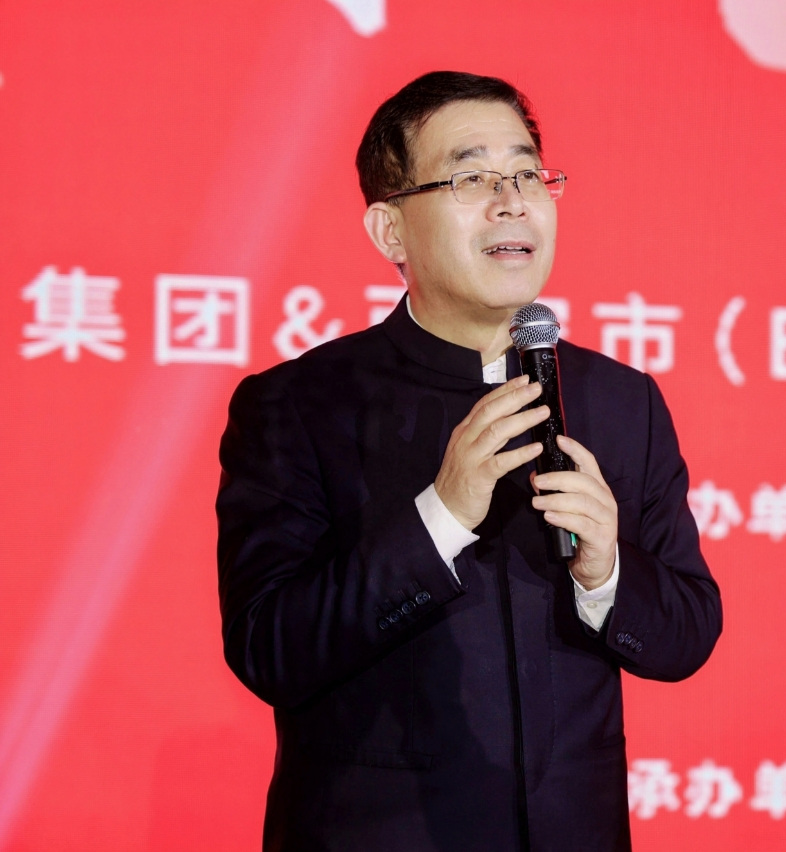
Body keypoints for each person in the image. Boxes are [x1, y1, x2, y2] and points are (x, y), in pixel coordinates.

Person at [215, 70, 722, 851]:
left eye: (528, 174)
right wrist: (441, 517)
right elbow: (269, 649)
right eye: (472, 178)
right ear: (390, 231)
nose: (512, 201)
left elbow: (687, 634)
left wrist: (606, 573)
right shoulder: (298, 405)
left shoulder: (624, 402)